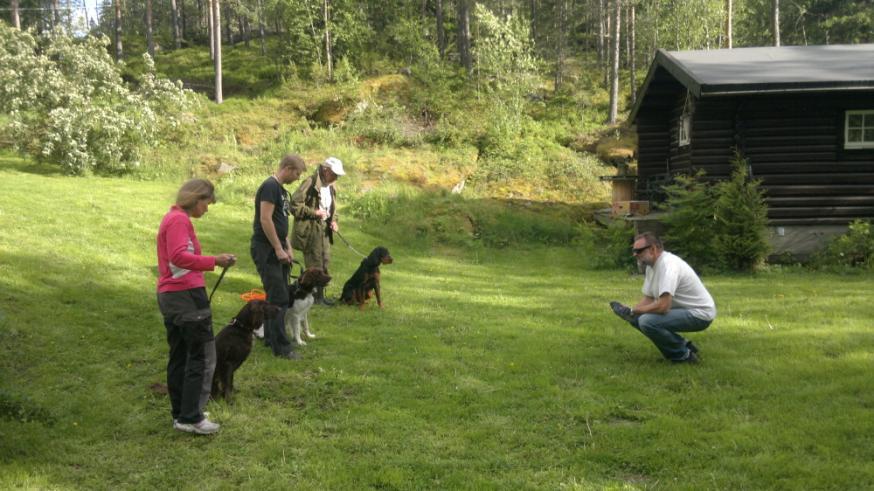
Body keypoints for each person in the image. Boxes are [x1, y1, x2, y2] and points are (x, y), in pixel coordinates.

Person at [156, 179, 237, 435]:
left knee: (180, 355)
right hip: (186, 297)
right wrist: (215, 260)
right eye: (207, 203)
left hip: (172, 295)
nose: (207, 209)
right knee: (201, 357)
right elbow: (178, 256)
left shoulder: (173, 218)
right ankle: (191, 417)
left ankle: (182, 413)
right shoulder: (179, 220)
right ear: (197, 198)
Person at [609, 232, 716, 363]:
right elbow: (648, 298)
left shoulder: (668, 266)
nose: (635, 254)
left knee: (647, 321)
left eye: (639, 251)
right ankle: (684, 346)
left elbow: (663, 306)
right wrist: (629, 312)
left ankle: (684, 357)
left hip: (700, 314)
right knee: (637, 318)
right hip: (684, 311)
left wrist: (634, 311)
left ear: (653, 249)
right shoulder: (651, 267)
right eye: (634, 251)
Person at [251, 154, 307, 359]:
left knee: (277, 294)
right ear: (288, 168)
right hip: (266, 249)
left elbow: (280, 222)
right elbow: (265, 219)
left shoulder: (283, 192)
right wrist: (276, 248)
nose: (297, 177)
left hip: (279, 248)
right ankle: (281, 347)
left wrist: (288, 247)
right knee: (279, 298)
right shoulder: (270, 187)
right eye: (297, 173)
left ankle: (269, 338)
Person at [290, 156, 344, 306]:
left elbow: (332, 209)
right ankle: (314, 298)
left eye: (338, 175)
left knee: (325, 261)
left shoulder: (331, 185)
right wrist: (315, 213)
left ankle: (320, 297)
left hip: (325, 230)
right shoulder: (310, 182)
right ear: (326, 170)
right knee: (314, 264)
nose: (336, 178)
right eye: (334, 174)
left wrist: (334, 221)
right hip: (311, 230)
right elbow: (294, 205)